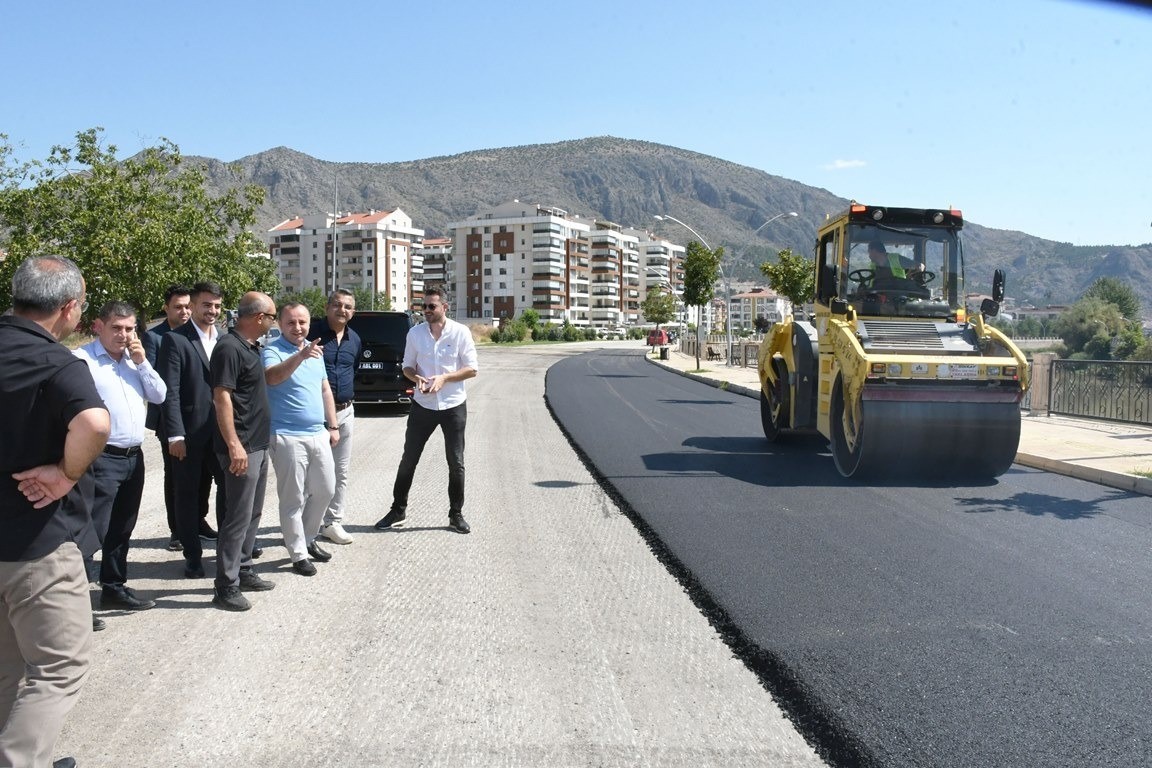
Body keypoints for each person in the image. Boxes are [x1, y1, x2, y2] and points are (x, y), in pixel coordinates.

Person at [0, 255, 110, 768]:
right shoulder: (59, 363)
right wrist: (65, 475)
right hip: (36, 544)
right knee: (58, 668)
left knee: (6, 669)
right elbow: (93, 423)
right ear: (68, 308)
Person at [74, 301, 167, 616]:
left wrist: (141, 362)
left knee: (122, 528)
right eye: (116, 328)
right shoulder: (82, 360)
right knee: (90, 532)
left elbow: (159, 395)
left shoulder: (133, 362)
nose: (124, 335)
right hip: (100, 458)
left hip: (133, 457)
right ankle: (74, 606)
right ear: (99, 326)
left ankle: (113, 589)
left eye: (130, 329)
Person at [374, 286, 478, 534]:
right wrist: (416, 378)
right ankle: (398, 509)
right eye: (424, 306)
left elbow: (472, 369)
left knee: (456, 462)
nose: (427, 311)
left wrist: (445, 378)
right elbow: (407, 367)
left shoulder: (461, 332)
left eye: (432, 306)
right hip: (423, 405)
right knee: (409, 459)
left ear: (445, 307)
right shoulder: (414, 334)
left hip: (453, 406)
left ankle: (456, 514)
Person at [210, 292, 278, 611]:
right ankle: (226, 584)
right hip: (243, 445)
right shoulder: (228, 347)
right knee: (237, 516)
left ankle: (245, 567)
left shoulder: (250, 347)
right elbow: (222, 397)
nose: (273, 322)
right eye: (273, 316)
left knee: (253, 512)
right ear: (259, 317)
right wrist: (234, 444)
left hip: (258, 443)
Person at [157, 281, 227, 579]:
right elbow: (169, 391)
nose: (212, 311)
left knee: (228, 490)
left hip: (221, 433)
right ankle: (193, 556)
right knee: (186, 496)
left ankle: (228, 549)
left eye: (217, 306)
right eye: (206, 305)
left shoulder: (224, 339)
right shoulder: (176, 340)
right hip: (187, 434)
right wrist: (175, 434)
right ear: (194, 306)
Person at [263, 303, 339, 576]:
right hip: (286, 434)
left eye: (302, 322)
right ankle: (298, 553)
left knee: (326, 490)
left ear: (309, 323)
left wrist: (332, 425)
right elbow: (272, 378)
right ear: (280, 325)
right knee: (293, 497)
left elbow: (324, 388)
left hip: (317, 432)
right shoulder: (272, 350)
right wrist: (300, 356)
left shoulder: (315, 351)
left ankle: (307, 539)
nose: (297, 328)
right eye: (291, 323)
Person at [144, 283, 216, 553]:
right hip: (171, 419)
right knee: (176, 477)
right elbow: (156, 383)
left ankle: (198, 520)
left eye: (188, 306)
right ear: (166, 308)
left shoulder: (204, 335)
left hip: (201, 418)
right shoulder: (156, 337)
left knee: (204, 475)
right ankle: (178, 530)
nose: (184, 311)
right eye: (178, 307)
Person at [307, 289, 361, 546]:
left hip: (345, 411)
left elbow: (354, 369)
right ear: (327, 307)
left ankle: (332, 522)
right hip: (314, 413)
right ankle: (305, 526)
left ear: (353, 312)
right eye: (337, 305)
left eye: (348, 307)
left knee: (341, 471)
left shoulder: (355, 340)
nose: (342, 310)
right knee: (311, 472)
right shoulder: (311, 335)